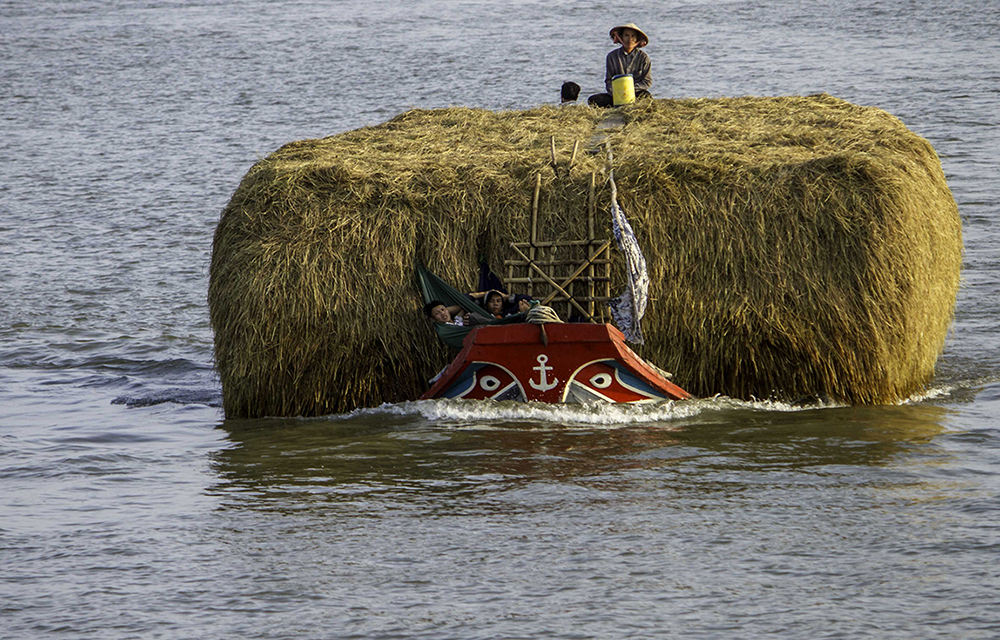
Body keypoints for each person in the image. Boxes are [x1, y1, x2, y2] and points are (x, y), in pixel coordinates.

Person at [587, 23, 652, 108]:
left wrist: (630, 90)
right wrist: (617, 93)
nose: (630, 39)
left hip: (635, 93)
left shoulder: (643, 57)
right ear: (621, 37)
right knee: (593, 100)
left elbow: (647, 81)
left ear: (637, 39)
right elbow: (609, 80)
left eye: (633, 36)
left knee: (647, 97)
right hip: (617, 94)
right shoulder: (612, 56)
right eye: (626, 35)